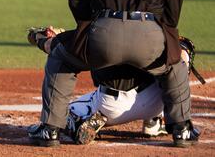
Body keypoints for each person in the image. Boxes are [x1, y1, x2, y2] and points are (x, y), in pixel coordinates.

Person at [27, 0, 199, 148]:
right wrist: (160, 36)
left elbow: (77, 1)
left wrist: (89, 29)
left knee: (61, 58)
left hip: (104, 32)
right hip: (150, 35)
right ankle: (181, 129)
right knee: (177, 62)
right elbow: (172, 14)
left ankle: (50, 130)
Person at [28, 27, 201, 144]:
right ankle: (156, 121)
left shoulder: (98, 29)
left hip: (112, 106)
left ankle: (76, 123)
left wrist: (41, 38)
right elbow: (184, 50)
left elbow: (56, 47)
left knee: (63, 112)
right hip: (157, 100)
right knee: (178, 57)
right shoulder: (153, 27)